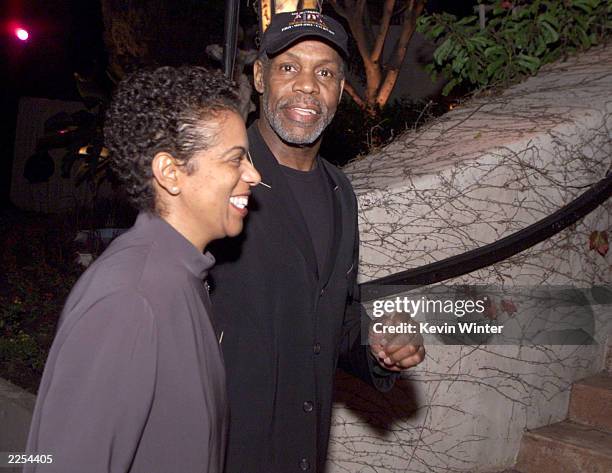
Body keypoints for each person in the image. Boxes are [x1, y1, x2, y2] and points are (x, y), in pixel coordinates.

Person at [209, 10, 425, 473]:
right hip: (219, 449)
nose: (307, 85)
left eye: (324, 72)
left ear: (339, 89)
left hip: (302, 449)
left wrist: (377, 341)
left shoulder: (339, 191)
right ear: (260, 76)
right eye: (289, 67)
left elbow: (333, 317)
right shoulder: (215, 176)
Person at [23, 66, 261, 473]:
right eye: (235, 160)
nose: (253, 176)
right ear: (170, 173)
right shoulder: (130, 300)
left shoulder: (180, 277)